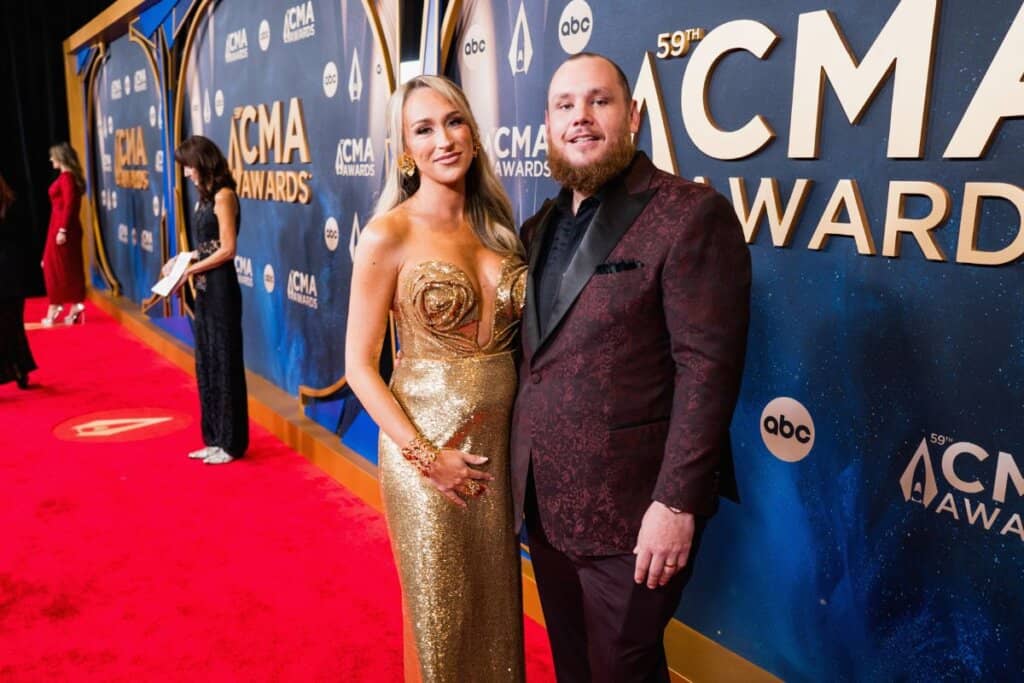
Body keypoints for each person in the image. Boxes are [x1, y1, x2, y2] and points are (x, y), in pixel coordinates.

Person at [510, 53, 751, 682]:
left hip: (634, 513)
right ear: (547, 125)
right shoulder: (537, 225)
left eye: (599, 101)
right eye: (564, 106)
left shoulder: (688, 213)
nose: (580, 118)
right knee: (574, 666)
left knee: (624, 669)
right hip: (546, 502)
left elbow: (707, 369)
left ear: (634, 116)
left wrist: (676, 502)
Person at [345, 75, 527, 682]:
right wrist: (428, 457)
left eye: (453, 122)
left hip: (497, 454)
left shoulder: (503, 228)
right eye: (423, 129)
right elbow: (360, 368)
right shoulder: (388, 233)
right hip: (425, 458)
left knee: (497, 617)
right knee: (440, 626)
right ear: (404, 149)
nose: (443, 139)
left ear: (473, 132)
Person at [168, 135, 248, 465]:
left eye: (188, 166)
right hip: (203, 288)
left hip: (221, 290)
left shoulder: (225, 196)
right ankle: (213, 438)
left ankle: (231, 443)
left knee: (225, 363)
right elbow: (207, 245)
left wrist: (190, 269)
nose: (186, 173)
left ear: (202, 163)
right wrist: (182, 261)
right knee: (207, 364)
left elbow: (228, 249)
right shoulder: (204, 197)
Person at [41, 142, 87, 326]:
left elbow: (69, 206)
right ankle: (74, 305)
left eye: (53, 156)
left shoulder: (67, 178)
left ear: (61, 157)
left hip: (63, 229)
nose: (51, 159)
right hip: (59, 227)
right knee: (58, 266)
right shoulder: (67, 177)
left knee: (55, 268)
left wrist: (62, 230)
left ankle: (55, 307)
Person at [0, 174, 37, 388]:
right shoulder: (13, 204)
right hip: (14, 274)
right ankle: (21, 370)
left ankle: (12, 371)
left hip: (7, 274)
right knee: (15, 327)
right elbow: (25, 238)